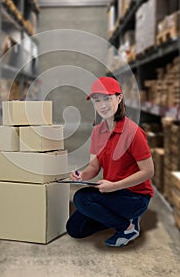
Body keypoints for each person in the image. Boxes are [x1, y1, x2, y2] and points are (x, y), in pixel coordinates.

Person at [66, 77, 154, 247]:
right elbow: (94, 166)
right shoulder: (98, 131)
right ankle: (120, 218)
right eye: (97, 100)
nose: (102, 105)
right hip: (112, 194)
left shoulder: (133, 132)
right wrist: (82, 174)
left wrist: (114, 186)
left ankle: (127, 226)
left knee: (81, 199)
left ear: (119, 98)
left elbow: (148, 171)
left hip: (135, 197)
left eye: (107, 98)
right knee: (75, 229)